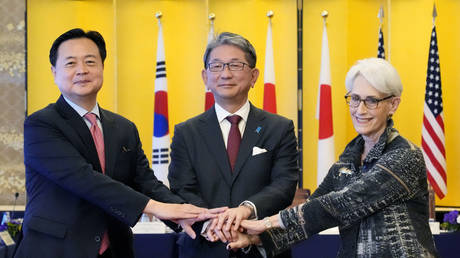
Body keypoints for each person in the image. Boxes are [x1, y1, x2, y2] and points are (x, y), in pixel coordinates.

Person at [15, 28, 222, 258]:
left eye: (90, 61)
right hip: (54, 250)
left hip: (114, 250)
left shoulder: (123, 128)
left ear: (102, 67)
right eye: (71, 63)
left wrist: (199, 220)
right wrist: (157, 208)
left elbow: (147, 184)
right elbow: (84, 179)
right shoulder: (41, 125)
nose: (82, 70)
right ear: (54, 72)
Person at [229, 58, 440, 258]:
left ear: (393, 104)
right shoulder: (347, 160)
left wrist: (267, 223)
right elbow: (314, 213)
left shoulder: (406, 155)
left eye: (372, 101)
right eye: (355, 99)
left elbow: (345, 202)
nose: (360, 110)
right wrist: (255, 239)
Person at [167, 32, 299, 258]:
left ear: (254, 75)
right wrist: (215, 224)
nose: (225, 74)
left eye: (235, 65)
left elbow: (284, 185)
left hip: (262, 248)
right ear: (205, 76)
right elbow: (182, 188)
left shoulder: (279, 128)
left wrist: (246, 209)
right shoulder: (186, 132)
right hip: (204, 246)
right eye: (216, 66)